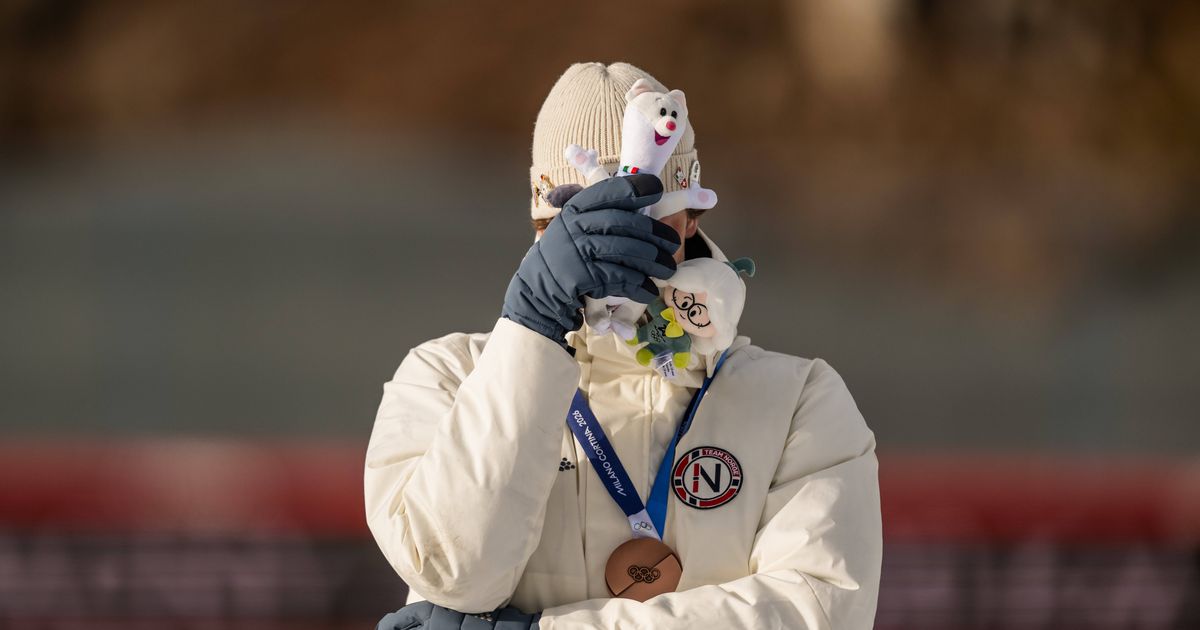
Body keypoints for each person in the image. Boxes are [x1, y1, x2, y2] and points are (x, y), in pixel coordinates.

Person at [365, 62, 882, 629]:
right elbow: (454, 570)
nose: (610, 244)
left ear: (689, 217)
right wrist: (534, 330)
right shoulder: (446, 377)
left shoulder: (798, 401)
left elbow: (818, 611)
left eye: (638, 216)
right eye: (582, 221)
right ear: (543, 225)